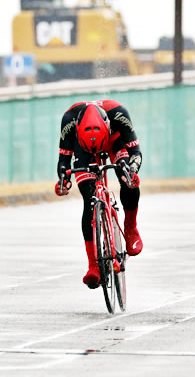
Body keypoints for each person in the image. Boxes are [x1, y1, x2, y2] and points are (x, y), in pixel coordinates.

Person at [54, 100, 143, 289]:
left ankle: (130, 227)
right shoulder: (69, 121)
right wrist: (63, 181)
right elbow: (63, 160)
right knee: (90, 199)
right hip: (83, 149)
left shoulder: (119, 114)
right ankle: (93, 265)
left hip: (114, 141)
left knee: (128, 178)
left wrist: (132, 171)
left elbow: (135, 151)